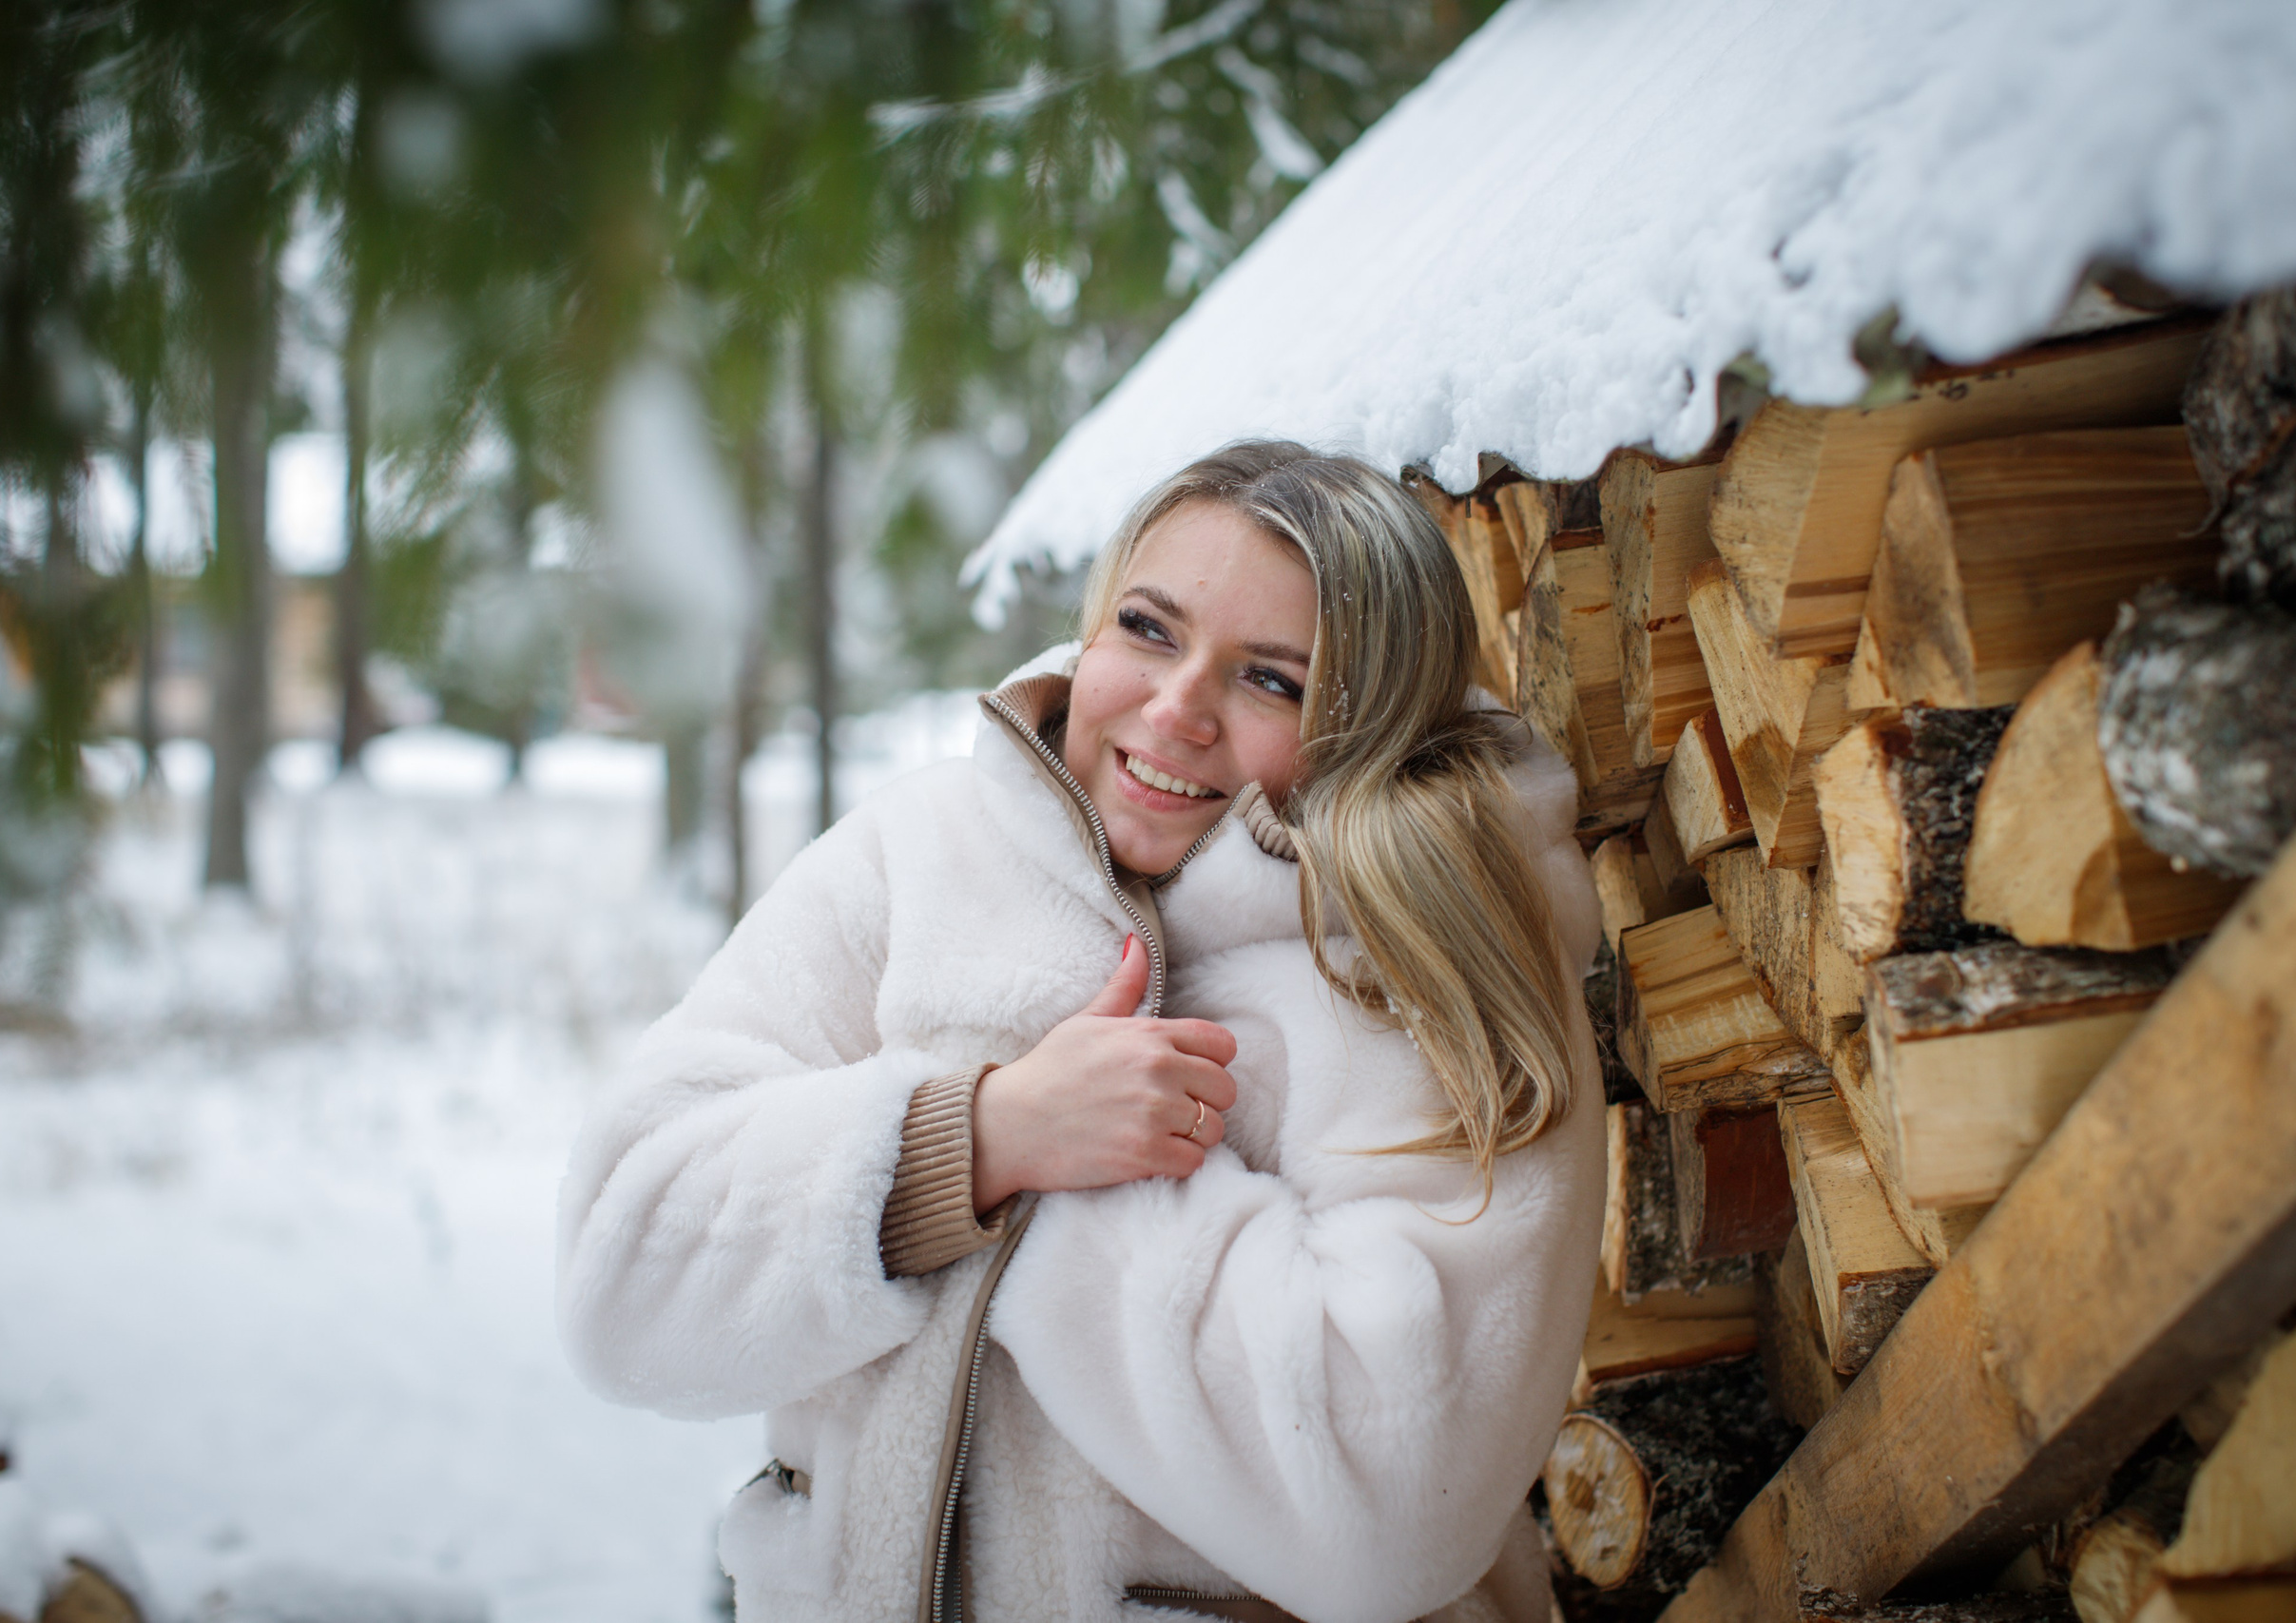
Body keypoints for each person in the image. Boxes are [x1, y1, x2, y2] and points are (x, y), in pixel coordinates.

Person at [556, 441, 1608, 1623]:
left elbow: (1396, 1508)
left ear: (1372, 722)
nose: (1174, 710)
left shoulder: (1431, 953)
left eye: (1272, 680)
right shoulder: (921, 853)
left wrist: (1088, 1189)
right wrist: (981, 1136)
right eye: (1149, 630)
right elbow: (622, 1280)